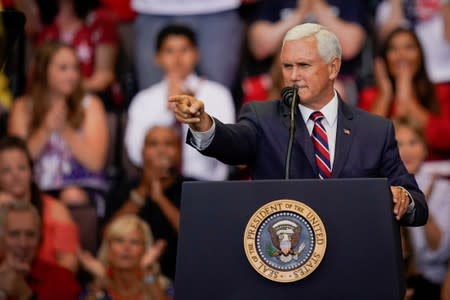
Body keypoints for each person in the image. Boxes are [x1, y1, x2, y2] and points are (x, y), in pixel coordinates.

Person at [170, 23, 428, 226]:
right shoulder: (263, 117)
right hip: (286, 260)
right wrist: (203, 123)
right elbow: (233, 142)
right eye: (287, 66)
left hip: (353, 262)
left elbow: (417, 204)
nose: (293, 76)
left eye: (304, 65)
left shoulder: (375, 130)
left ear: (333, 68)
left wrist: (403, 199)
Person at [8, 41, 109, 212]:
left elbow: (96, 163)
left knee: (72, 195)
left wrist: (64, 129)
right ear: (43, 70)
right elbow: (17, 161)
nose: (72, 75)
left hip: (81, 187)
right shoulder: (22, 107)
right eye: (63, 68)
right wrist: (46, 129)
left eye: (75, 68)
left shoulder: (91, 105)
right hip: (33, 187)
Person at [125, 24, 235, 181]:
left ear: (196, 54)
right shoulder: (144, 99)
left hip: (207, 185)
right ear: (158, 58)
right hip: (159, 186)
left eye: (184, 50)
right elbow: (136, 153)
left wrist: (192, 117)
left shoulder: (218, 94)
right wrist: (168, 112)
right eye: (169, 51)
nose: (177, 58)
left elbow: (226, 150)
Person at [110, 126, 193, 281]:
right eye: (153, 144)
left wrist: (160, 198)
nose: (161, 150)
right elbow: (109, 234)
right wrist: (143, 190)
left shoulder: (192, 188)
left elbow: (195, 236)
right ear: (142, 152)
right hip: (130, 277)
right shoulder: (123, 188)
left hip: (181, 275)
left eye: (168, 144)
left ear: (180, 152)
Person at [358, 27, 450, 160]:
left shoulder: (442, 92)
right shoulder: (370, 96)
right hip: (387, 175)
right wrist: (385, 94)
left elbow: (445, 140)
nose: (402, 55)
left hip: (436, 172)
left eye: (409, 47)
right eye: (393, 49)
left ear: (420, 55)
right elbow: (365, 144)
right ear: (384, 60)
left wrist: (406, 100)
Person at [0, 135, 80, 273]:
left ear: (31, 171)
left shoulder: (56, 210)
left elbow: (69, 265)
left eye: (22, 168)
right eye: (6, 170)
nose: (16, 175)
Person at [394, 117, 450, 300]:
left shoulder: (443, 190)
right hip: (393, 282)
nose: (406, 151)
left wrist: (421, 206)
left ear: (425, 148)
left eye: (413, 142)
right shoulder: (382, 188)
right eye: (399, 144)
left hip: (433, 283)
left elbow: (440, 251)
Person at [0, 201, 80, 299]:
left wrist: (25, 293)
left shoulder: (62, 279)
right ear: (1, 240)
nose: (23, 243)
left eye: (30, 234)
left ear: (40, 239)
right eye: (14, 234)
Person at [78, 214, 169, 300]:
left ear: (145, 250)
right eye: (119, 240)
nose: (126, 248)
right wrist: (100, 282)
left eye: (134, 242)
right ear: (108, 249)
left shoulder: (163, 287)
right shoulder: (93, 289)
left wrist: (147, 273)